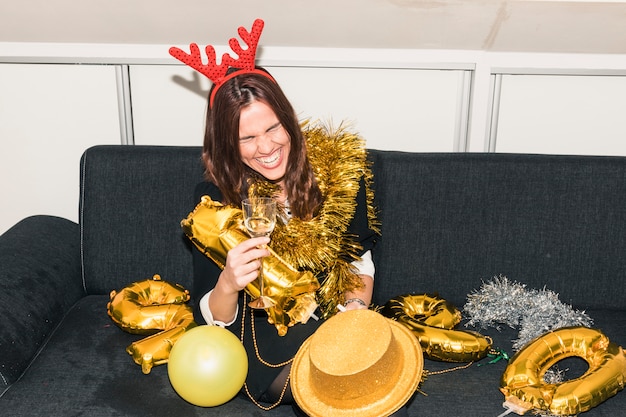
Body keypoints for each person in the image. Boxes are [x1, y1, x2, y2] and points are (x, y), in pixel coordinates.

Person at [172, 19, 398, 415]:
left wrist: (356, 312)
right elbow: (212, 318)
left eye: (273, 128)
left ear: (287, 119)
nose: (266, 148)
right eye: (247, 138)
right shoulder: (214, 199)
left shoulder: (340, 171)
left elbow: (357, 257)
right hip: (265, 332)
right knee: (338, 393)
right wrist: (228, 280)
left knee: (381, 386)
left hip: (334, 316)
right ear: (228, 143)